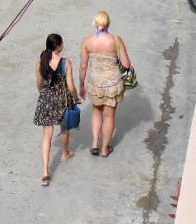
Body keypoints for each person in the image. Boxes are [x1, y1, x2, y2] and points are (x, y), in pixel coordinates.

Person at [80, 12, 131, 157]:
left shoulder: (87, 41)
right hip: (113, 84)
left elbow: (83, 66)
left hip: (95, 83)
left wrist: (82, 85)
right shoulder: (116, 40)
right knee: (109, 116)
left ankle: (95, 143)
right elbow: (126, 65)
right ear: (108, 23)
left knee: (96, 111)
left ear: (95, 24)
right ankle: (104, 149)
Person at [34, 33, 78, 186]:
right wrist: (76, 97)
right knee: (64, 128)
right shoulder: (66, 63)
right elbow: (71, 86)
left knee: (47, 135)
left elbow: (39, 83)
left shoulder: (40, 62)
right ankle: (65, 153)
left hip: (46, 99)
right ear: (59, 46)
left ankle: (45, 171)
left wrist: (44, 94)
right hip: (62, 99)